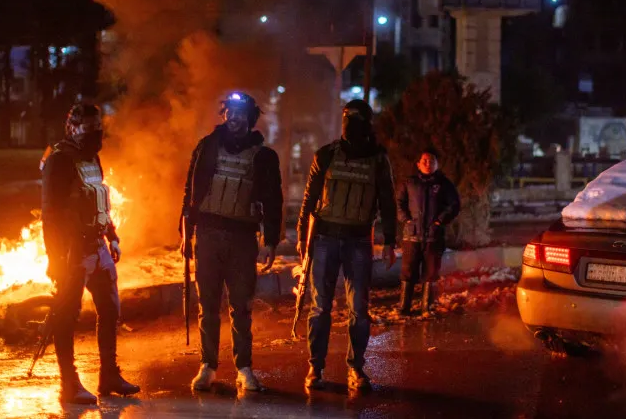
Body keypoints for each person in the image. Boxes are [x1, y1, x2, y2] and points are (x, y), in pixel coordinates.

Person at [180, 91, 283, 392]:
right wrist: (185, 233)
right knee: (208, 304)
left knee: (241, 306)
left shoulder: (264, 156)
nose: (234, 118)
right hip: (208, 235)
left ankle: (244, 368)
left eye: (240, 114)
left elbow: (273, 201)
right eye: (230, 112)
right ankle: (208, 366)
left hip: (242, 239)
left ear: (250, 119)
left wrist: (271, 241)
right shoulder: (206, 146)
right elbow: (190, 191)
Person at [41, 103, 140, 405]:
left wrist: (113, 237)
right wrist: (55, 259)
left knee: (110, 309)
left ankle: (109, 375)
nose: (95, 133)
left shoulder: (93, 158)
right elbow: (50, 215)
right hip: (72, 252)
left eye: (98, 127)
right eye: (88, 127)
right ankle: (69, 384)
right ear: (72, 127)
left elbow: (100, 202)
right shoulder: (59, 161)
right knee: (67, 316)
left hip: (99, 247)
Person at [296, 99, 397, 392]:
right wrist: (302, 238)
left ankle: (356, 368)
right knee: (320, 308)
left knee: (359, 310)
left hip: (359, 241)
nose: (350, 124)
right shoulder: (326, 154)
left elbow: (387, 201)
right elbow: (308, 199)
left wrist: (390, 241)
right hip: (324, 238)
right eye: (346, 118)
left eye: (356, 119)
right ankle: (316, 367)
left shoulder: (378, 159)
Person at [397, 149, 460, 314]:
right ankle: (404, 307)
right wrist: (406, 219)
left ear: (437, 164)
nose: (428, 163)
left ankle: (427, 306)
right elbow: (399, 203)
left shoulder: (444, 184)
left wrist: (440, 221)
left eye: (432, 161)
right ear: (418, 164)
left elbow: (454, 205)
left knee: (431, 272)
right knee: (408, 271)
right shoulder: (409, 183)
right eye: (424, 160)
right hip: (411, 235)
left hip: (434, 236)